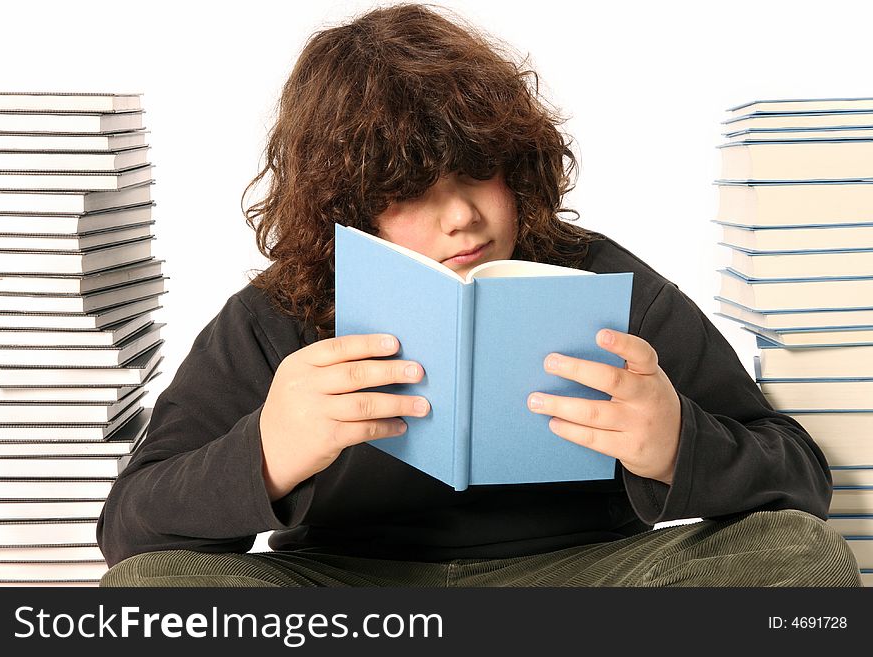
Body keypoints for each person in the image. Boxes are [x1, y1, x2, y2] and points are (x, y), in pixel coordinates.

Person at [97, 3, 861, 587]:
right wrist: (265, 455)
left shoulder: (600, 278)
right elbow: (130, 529)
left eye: (477, 171)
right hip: (349, 595)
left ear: (517, 161)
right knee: (145, 590)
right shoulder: (277, 314)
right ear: (346, 209)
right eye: (407, 193)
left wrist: (677, 443)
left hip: (589, 579)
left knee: (802, 559)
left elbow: (798, 474)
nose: (460, 216)